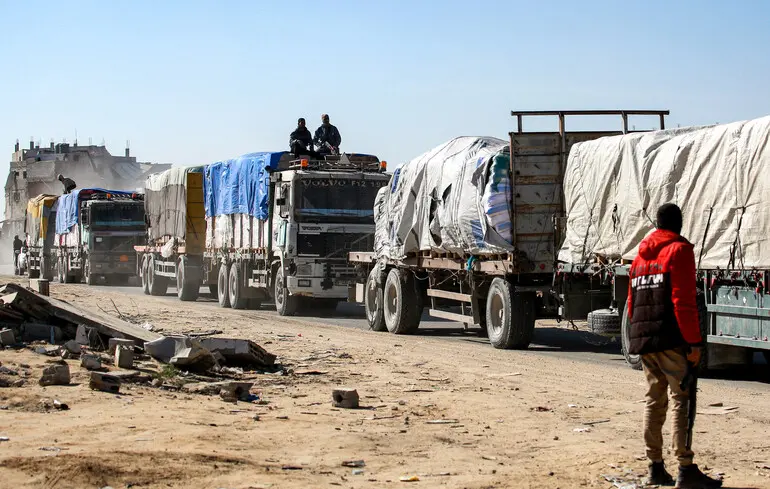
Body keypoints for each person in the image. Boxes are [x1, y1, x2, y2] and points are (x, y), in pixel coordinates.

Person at [627, 203, 722, 488]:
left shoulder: (639, 258)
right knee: (683, 399)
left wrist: (638, 337)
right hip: (671, 339)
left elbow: (632, 304)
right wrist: (694, 342)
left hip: (645, 340)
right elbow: (684, 302)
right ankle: (685, 468)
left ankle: (655, 467)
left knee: (654, 400)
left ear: (657, 224)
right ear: (679, 225)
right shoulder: (679, 251)